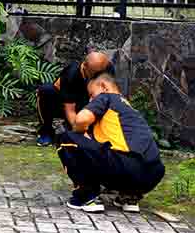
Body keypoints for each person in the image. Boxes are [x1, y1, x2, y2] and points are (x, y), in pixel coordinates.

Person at [59, 73, 165, 213]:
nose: (91, 100)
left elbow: (81, 120)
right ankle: (129, 196)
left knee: (67, 137)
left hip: (123, 167)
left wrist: (80, 131)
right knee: (111, 152)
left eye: (91, 94)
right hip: (153, 173)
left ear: (103, 87)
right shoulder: (130, 110)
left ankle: (86, 196)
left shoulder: (107, 97)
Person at [36, 51, 112, 147]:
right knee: (46, 90)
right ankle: (46, 131)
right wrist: (80, 132)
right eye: (94, 73)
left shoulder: (106, 67)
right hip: (64, 103)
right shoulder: (71, 75)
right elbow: (69, 109)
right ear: (85, 66)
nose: (98, 76)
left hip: (87, 102)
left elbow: (112, 94)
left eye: (100, 73)